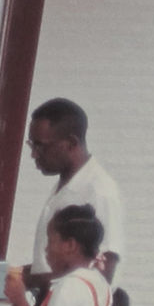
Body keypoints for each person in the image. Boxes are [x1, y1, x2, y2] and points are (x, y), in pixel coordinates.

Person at [24, 96, 125, 290]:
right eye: (31, 145)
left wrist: (28, 281)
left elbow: (102, 271)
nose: (34, 154)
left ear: (71, 143)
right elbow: (54, 266)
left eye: (40, 146)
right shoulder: (65, 184)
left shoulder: (99, 191)